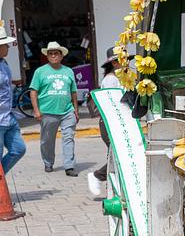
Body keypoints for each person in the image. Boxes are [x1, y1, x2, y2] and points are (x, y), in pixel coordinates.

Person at [30, 41, 79, 176]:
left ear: (61, 55)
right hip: (47, 112)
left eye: (56, 53)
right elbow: (33, 91)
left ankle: (69, 166)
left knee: (68, 137)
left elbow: (73, 92)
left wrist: (75, 110)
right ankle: (48, 162)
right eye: (50, 53)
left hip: (67, 111)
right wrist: (36, 110)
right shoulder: (40, 72)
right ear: (47, 56)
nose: (53, 56)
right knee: (47, 140)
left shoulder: (68, 71)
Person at [87, 47, 119, 196]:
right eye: (122, 60)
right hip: (110, 122)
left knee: (118, 156)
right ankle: (97, 176)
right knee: (118, 156)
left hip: (116, 122)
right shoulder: (111, 79)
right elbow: (113, 103)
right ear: (114, 63)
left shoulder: (120, 78)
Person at [0, 20, 26, 173]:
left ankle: (1, 178)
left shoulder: (4, 63)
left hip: (8, 117)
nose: (8, 47)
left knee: (18, 149)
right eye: (5, 45)